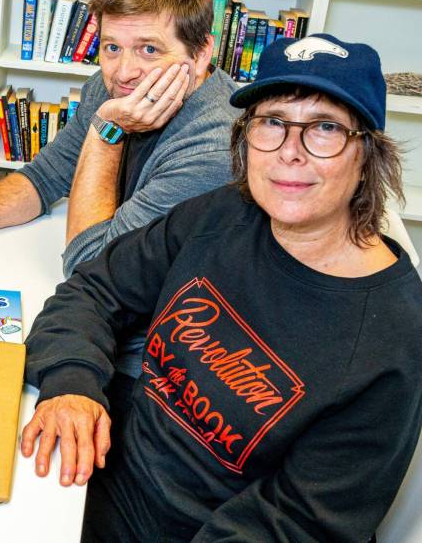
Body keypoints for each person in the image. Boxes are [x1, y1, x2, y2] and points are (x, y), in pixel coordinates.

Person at [22, 34, 422, 541]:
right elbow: (95, 290)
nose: (289, 152)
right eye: (272, 122)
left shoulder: (393, 335)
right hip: (79, 473)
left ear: (367, 153)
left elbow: (298, 522)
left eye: (324, 128)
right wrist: (70, 386)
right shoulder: (222, 212)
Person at [0, 0, 238, 410]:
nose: (124, 72)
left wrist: (105, 132)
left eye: (149, 51)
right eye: (111, 48)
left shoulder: (215, 144)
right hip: (91, 316)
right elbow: (44, 178)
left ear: (200, 55)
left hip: (148, 366)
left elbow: (93, 266)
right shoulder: (114, 91)